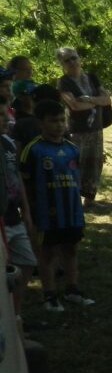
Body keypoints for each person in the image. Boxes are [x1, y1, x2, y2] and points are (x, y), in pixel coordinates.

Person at [19, 100, 94, 311]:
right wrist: (29, 212)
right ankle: (49, 294)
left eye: (62, 120)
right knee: (48, 253)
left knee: (70, 250)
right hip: (46, 213)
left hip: (71, 212)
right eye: (53, 121)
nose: (59, 125)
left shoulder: (72, 149)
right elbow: (24, 183)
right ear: (40, 123)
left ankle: (72, 289)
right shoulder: (33, 150)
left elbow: (76, 178)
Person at [55, 47, 111, 209]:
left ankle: (90, 200)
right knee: (75, 164)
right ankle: (73, 201)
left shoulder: (91, 77)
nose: (72, 62)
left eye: (74, 58)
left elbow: (107, 99)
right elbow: (74, 105)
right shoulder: (63, 82)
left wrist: (88, 99)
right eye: (67, 60)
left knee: (94, 164)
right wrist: (96, 101)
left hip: (96, 127)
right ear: (62, 64)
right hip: (76, 130)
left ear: (79, 58)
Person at [0, 95, 37, 322]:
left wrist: (27, 212)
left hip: (14, 216)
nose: (6, 119)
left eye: (6, 113)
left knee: (27, 262)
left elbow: (17, 178)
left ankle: (15, 314)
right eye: (0, 115)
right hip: (1, 221)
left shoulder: (8, 143)